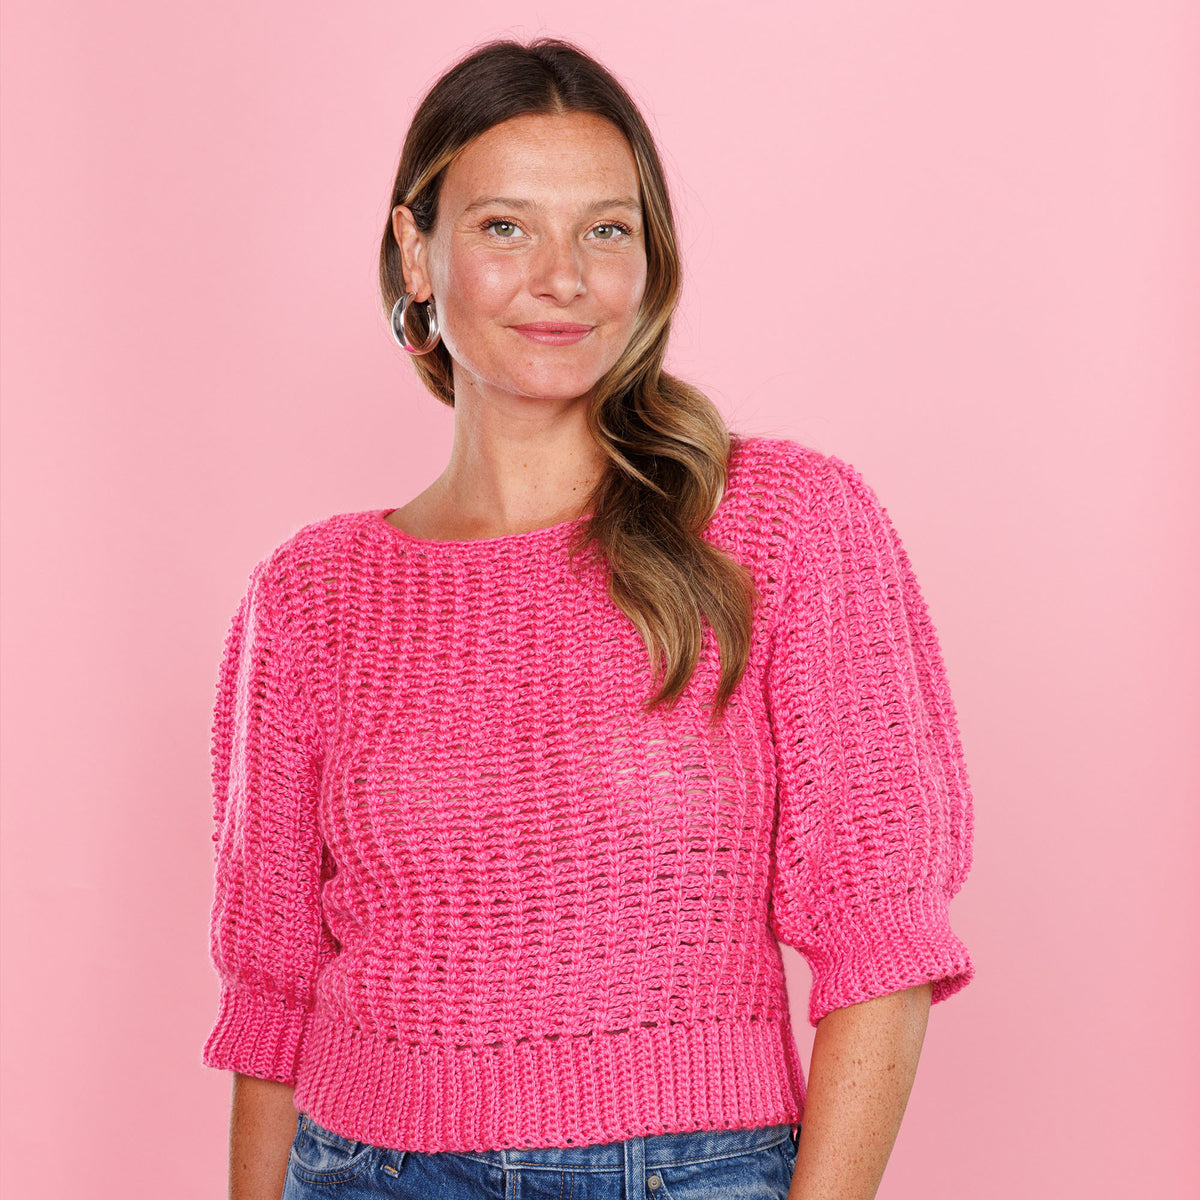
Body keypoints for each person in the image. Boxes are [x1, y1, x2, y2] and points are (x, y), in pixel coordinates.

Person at [201, 36, 975, 1200]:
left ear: (650, 262)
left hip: (694, 1172)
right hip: (363, 1170)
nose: (561, 275)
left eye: (606, 230)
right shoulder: (308, 595)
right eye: (505, 226)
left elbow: (880, 939)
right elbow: (271, 993)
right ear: (418, 253)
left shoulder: (782, 523)